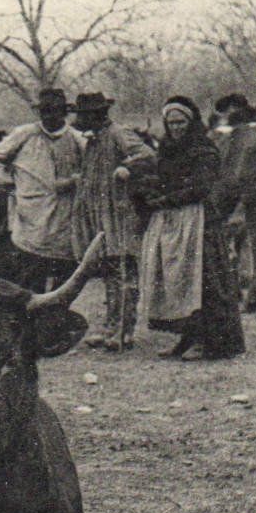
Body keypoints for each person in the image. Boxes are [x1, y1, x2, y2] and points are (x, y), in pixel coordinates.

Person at [139, 96, 246, 360]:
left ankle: (208, 341)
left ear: (191, 121)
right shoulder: (166, 148)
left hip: (198, 220)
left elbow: (202, 186)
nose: (176, 127)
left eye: (181, 122)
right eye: (172, 123)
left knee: (202, 281)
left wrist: (167, 198)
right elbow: (161, 178)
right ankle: (186, 336)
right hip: (172, 220)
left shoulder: (204, 149)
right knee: (177, 280)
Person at [70, 92, 156, 350]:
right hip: (102, 217)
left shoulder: (118, 133)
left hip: (119, 215)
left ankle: (123, 330)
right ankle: (112, 326)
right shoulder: (94, 140)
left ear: (95, 115)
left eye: (83, 115)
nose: (79, 120)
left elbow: (147, 155)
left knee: (123, 270)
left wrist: (128, 168)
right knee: (110, 272)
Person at [0, 88, 86, 292]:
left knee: (63, 282)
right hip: (30, 219)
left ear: (64, 112)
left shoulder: (77, 138)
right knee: (29, 280)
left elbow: (92, 167)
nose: (49, 116)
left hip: (63, 219)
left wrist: (76, 180)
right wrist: (11, 185)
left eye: (54, 110)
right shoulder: (25, 134)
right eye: (45, 111)